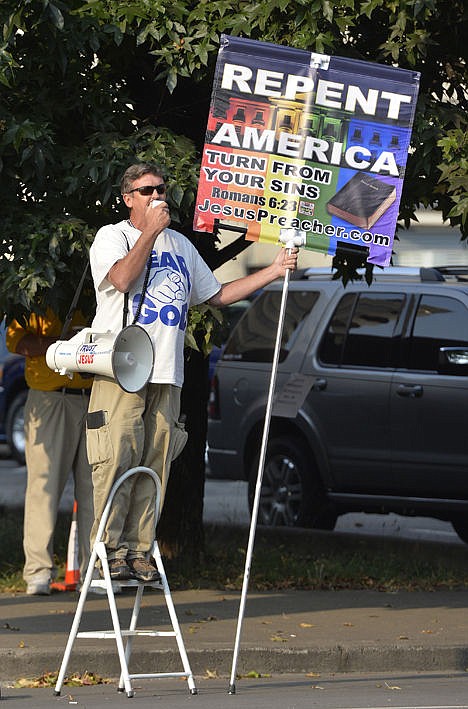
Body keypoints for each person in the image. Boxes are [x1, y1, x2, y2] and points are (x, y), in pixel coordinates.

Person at [87, 162, 298, 583]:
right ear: (128, 198)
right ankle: (106, 550)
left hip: (167, 370)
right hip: (123, 369)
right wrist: (149, 231)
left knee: (155, 464)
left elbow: (216, 296)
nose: (156, 196)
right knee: (117, 460)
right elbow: (123, 279)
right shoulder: (113, 237)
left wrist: (272, 271)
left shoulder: (182, 246)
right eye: (146, 191)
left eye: (161, 189)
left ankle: (138, 548)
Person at [7, 311, 94, 595]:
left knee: (95, 488)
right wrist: (64, 344)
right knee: (44, 487)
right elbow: (18, 343)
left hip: (92, 395)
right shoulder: (34, 299)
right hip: (49, 395)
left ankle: (94, 571)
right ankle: (38, 572)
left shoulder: (95, 288)